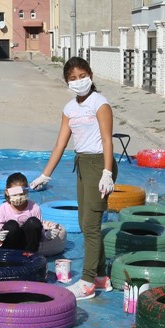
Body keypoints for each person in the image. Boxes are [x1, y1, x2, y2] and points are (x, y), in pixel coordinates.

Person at [30, 57, 117, 301]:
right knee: (85, 222)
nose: (78, 82)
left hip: (100, 163)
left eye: (82, 76)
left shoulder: (100, 104)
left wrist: (107, 173)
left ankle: (87, 282)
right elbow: (61, 143)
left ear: (90, 74)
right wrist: (45, 174)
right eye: (72, 79)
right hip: (83, 164)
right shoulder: (69, 109)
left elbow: (108, 139)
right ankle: (100, 278)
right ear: (67, 82)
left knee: (90, 225)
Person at [0, 173, 60, 252]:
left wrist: (47, 236)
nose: (18, 197)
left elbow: (39, 234)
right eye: (14, 194)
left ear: (26, 191)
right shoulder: (2, 209)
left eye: (21, 194)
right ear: (7, 192)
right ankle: (10, 256)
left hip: (27, 246)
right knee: (11, 225)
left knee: (33, 222)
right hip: (9, 246)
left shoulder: (34, 208)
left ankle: (29, 256)